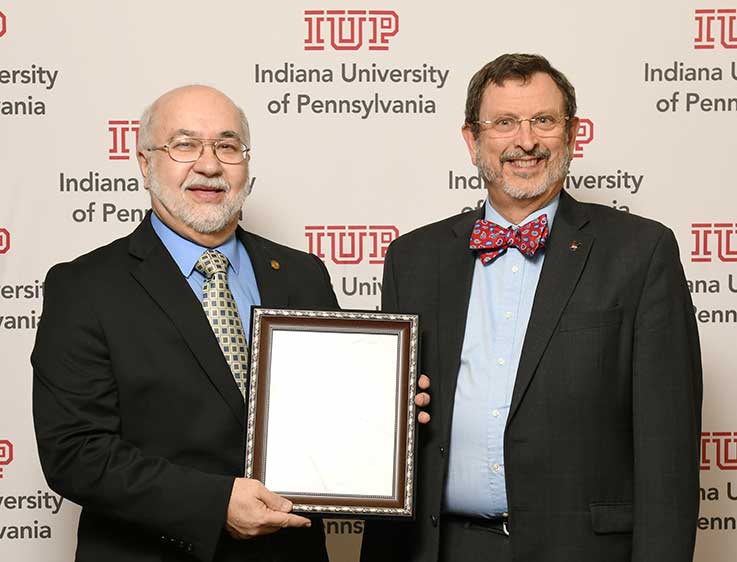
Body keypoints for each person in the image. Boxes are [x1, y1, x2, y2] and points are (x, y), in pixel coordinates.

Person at [361, 54, 702, 562]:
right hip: (438, 548)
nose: (526, 141)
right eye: (504, 123)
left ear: (573, 133)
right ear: (472, 140)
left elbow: (667, 450)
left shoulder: (640, 253)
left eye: (543, 120)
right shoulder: (413, 259)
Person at [32, 85, 339, 562]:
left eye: (227, 145)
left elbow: (331, 410)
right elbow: (75, 453)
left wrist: (389, 405)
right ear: (144, 162)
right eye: (184, 144)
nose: (210, 165)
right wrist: (214, 504)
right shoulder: (86, 288)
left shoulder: (303, 275)